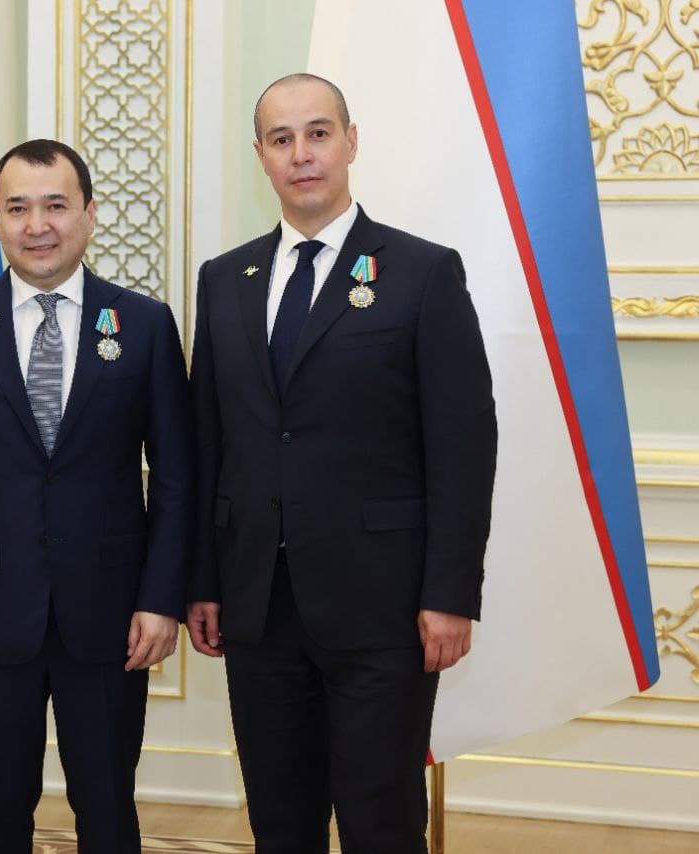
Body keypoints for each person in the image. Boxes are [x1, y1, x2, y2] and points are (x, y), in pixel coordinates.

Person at [187, 73, 497, 852]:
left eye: (318, 133)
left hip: (384, 608)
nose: (302, 154)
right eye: (281, 139)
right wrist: (203, 581)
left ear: (351, 142)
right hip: (258, 606)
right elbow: (207, 443)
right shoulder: (224, 281)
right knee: (279, 824)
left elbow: (463, 444)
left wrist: (450, 592)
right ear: (261, 155)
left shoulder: (422, 272)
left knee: (379, 823)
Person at [0, 139, 192, 852]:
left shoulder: (144, 325)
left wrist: (161, 599)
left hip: (111, 614)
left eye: (56, 206)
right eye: (19, 208)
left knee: (108, 806)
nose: (38, 226)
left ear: (89, 214)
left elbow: (179, 476)